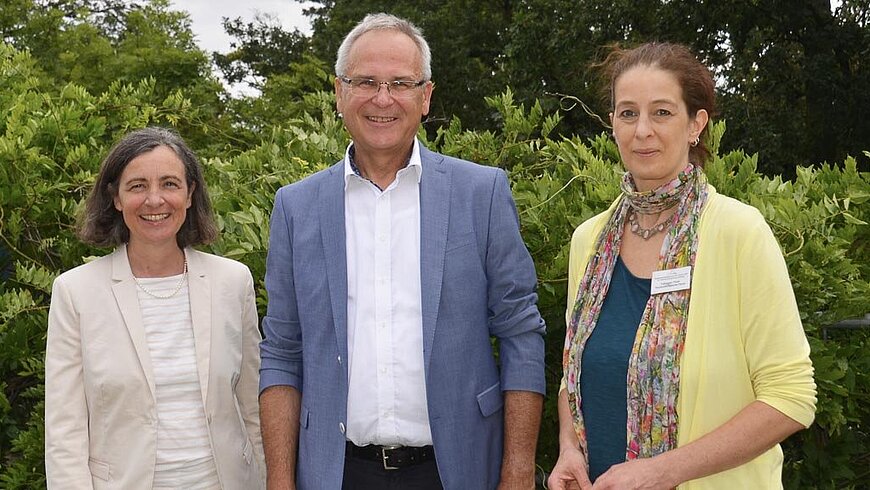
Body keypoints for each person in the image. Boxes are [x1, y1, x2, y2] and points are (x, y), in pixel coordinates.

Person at [258, 12, 546, 490]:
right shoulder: (296, 206)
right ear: (339, 92)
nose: (383, 99)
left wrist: (517, 470)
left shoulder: (482, 194)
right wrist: (280, 480)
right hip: (336, 473)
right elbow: (283, 352)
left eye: (400, 83)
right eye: (365, 81)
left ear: (426, 96)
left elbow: (520, 333)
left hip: (459, 469)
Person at [548, 43, 817, 490]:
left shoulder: (739, 233)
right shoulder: (589, 242)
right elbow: (574, 375)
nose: (643, 132)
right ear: (612, 124)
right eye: (627, 113)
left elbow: (791, 396)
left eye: (663, 113)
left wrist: (661, 472)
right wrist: (570, 449)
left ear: (696, 124)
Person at [45, 127, 266, 489]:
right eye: (137, 186)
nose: (154, 200)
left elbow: (252, 409)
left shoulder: (233, 282)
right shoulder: (76, 292)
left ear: (190, 193)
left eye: (169, 184)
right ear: (115, 197)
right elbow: (64, 430)